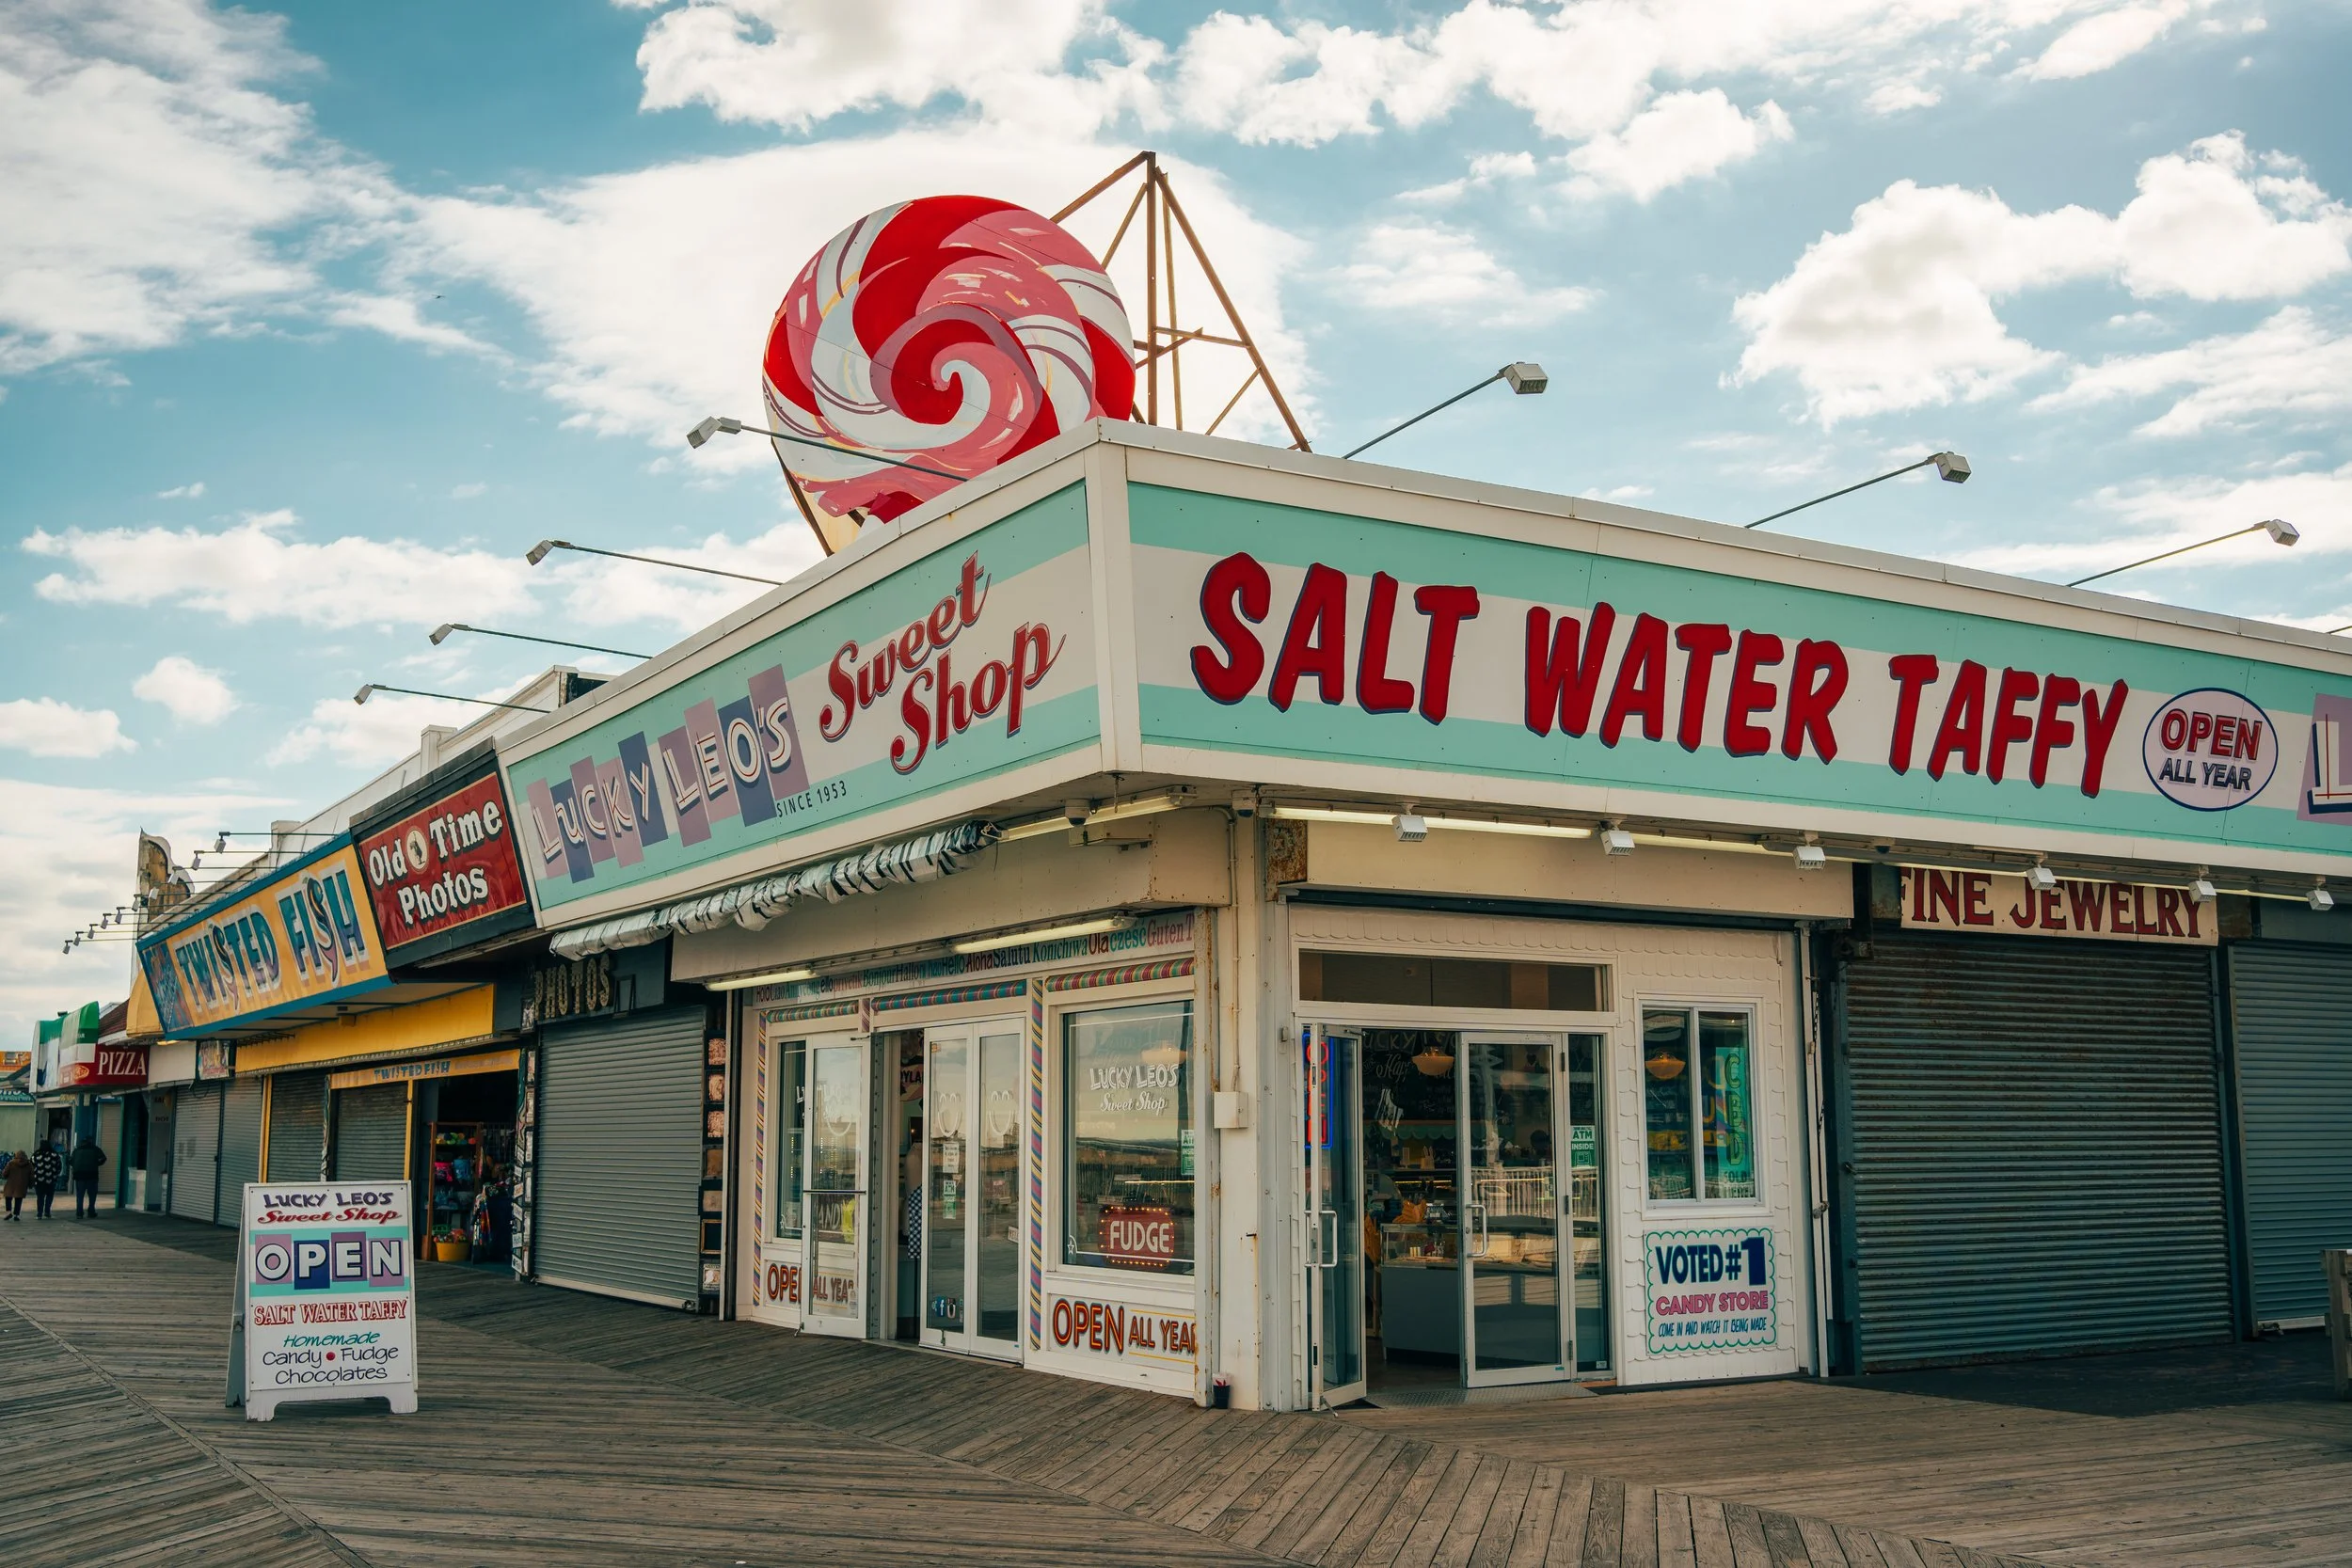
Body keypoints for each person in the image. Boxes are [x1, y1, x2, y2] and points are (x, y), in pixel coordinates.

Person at [69, 1135, 107, 1217]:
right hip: (92, 1175)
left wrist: (76, 1167)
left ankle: (79, 1213)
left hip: (79, 1176)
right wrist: (96, 1164)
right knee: (92, 1195)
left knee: (80, 1195)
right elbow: (103, 1158)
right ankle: (91, 1211)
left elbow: (70, 1161)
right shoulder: (95, 1149)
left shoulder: (76, 1151)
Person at [29, 1140, 62, 1220]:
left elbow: (31, 1166)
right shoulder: (54, 1155)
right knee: (49, 1196)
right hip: (51, 1180)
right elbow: (59, 1166)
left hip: (39, 1180)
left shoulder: (36, 1155)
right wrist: (55, 1175)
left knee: (40, 1197)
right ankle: (47, 1212)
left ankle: (39, 1213)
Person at [2, 1150, 29, 1220]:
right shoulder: (28, 1164)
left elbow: (5, 1173)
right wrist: (31, 1184)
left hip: (11, 1184)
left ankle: (8, 1212)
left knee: (8, 1198)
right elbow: (31, 1175)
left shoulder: (11, 1163)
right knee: (18, 1199)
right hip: (21, 1185)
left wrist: (6, 1176)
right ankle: (16, 1215)